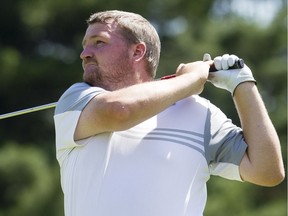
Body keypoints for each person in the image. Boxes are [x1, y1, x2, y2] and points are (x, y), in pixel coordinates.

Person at [54, 10, 285, 216]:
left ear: (137, 52)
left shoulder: (200, 114)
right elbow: (120, 111)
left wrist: (242, 84)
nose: (85, 53)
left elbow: (268, 171)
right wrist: (193, 79)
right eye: (85, 45)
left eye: (99, 42)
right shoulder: (77, 99)